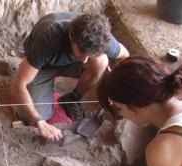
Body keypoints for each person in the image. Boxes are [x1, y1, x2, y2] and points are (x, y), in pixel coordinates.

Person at [11, 13, 129, 141]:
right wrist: (40, 122)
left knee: (101, 61)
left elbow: (125, 56)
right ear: (71, 35)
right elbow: (18, 86)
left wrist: (117, 86)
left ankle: (74, 99)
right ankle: (30, 78)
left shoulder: (100, 37)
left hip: (69, 63)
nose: (84, 60)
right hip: (43, 67)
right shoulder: (49, 38)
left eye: (89, 55)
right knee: (36, 115)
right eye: (81, 52)